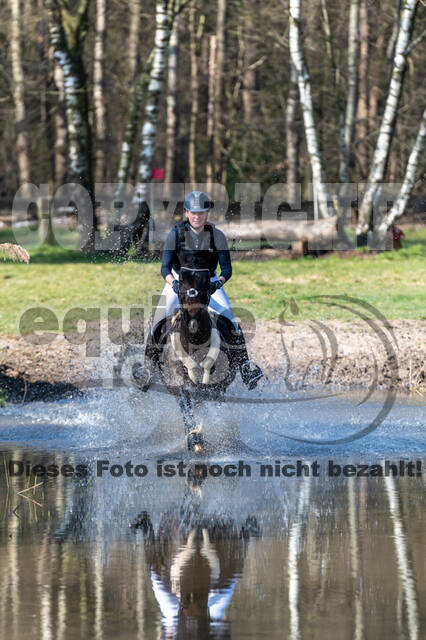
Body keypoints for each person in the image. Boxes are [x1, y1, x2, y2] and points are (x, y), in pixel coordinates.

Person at [136, 190, 263, 390]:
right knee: (158, 320)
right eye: (193, 213)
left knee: (229, 319)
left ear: (206, 214)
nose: (197, 216)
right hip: (179, 282)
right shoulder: (175, 234)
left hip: (209, 283)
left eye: (201, 213)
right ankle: (147, 370)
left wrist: (216, 284)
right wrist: (174, 284)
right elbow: (164, 268)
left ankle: (246, 368)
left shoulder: (217, 236)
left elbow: (227, 269)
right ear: (187, 213)